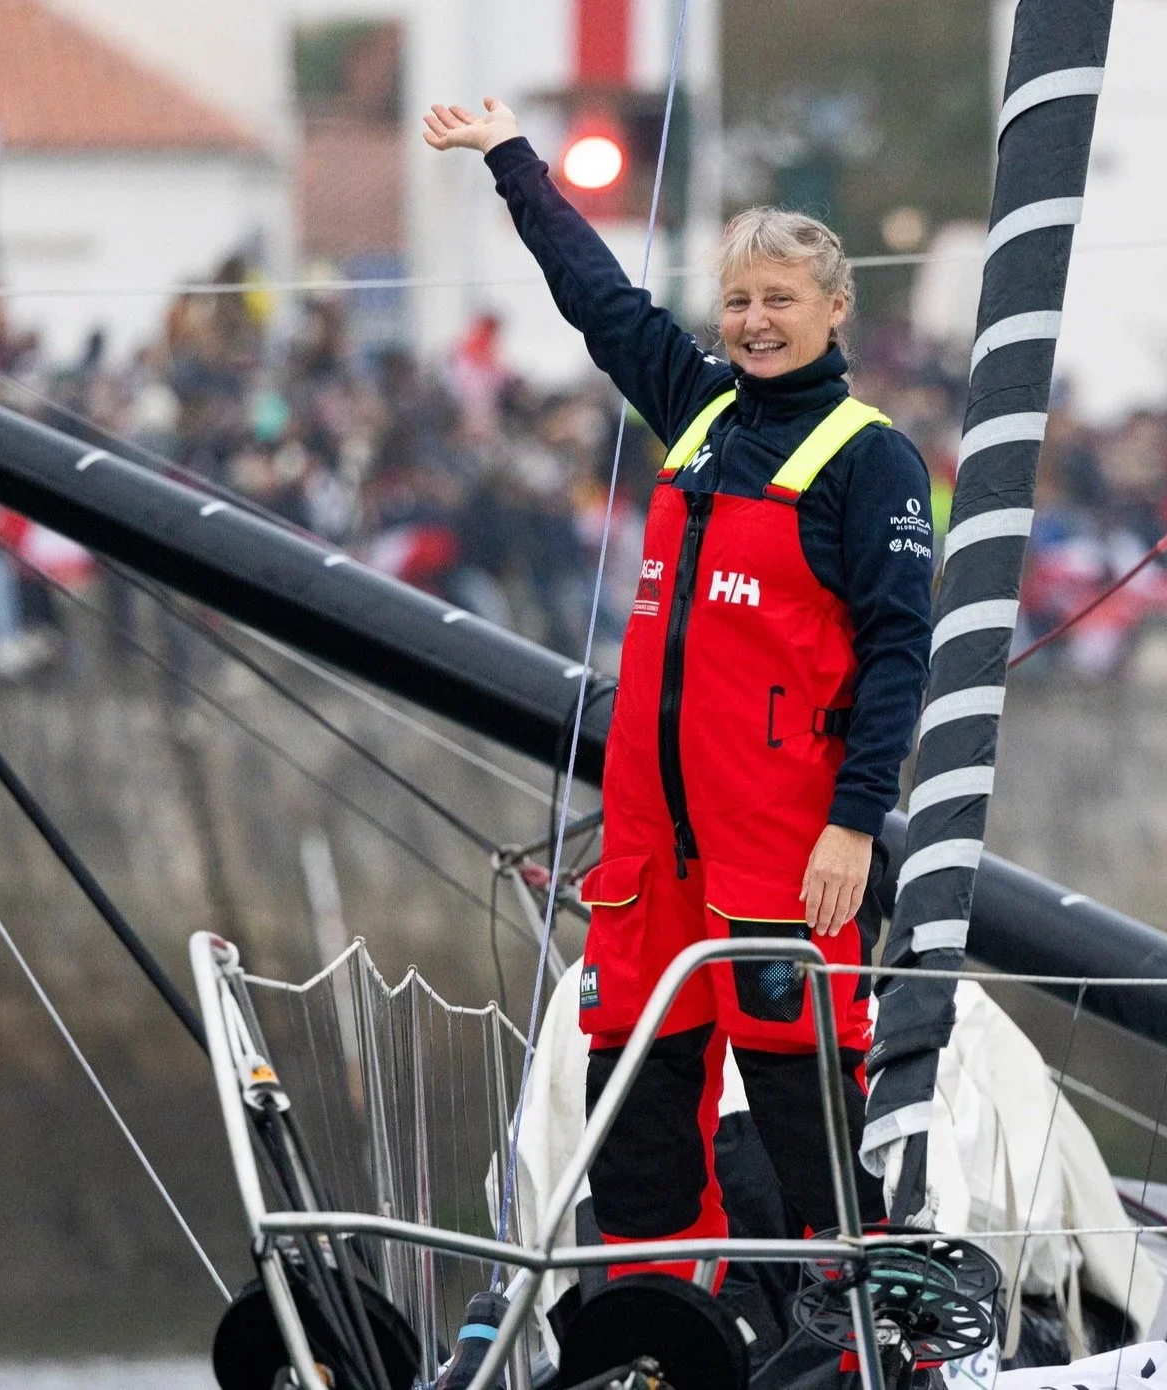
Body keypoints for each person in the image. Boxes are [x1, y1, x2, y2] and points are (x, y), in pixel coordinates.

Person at [424, 98, 934, 1276]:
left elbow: (900, 654)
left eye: (779, 301)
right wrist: (510, 159)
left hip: (782, 844)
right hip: (653, 850)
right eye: (740, 300)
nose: (753, 322)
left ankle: (844, 1321)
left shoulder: (869, 459)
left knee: (805, 1100)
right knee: (636, 1112)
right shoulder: (695, 405)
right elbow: (595, 297)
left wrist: (854, 824)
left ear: (833, 310)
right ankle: (657, 1327)